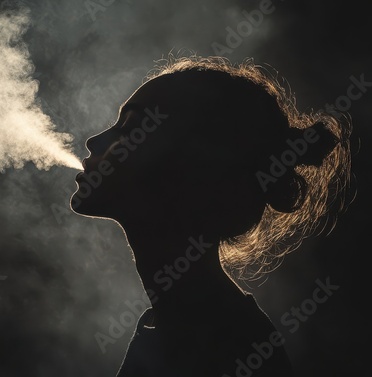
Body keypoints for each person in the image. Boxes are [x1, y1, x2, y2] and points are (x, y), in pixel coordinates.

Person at [70, 56, 351, 376]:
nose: (93, 142)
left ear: (191, 168)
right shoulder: (182, 322)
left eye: (132, 128)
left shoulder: (225, 344)